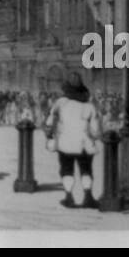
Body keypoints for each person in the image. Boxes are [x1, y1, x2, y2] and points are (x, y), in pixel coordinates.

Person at [44, 71, 101, 209]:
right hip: (84, 145)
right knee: (86, 170)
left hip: (65, 143)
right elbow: (96, 131)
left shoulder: (60, 103)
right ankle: (88, 197)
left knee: (67, 169)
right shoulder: (90, 106)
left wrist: (50, 134)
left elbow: (49, 123)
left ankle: (69, 197)